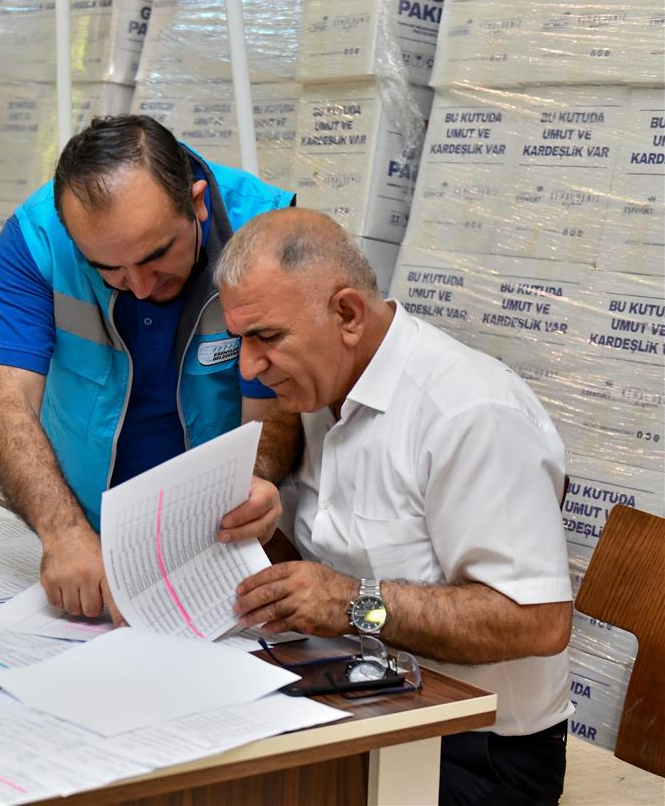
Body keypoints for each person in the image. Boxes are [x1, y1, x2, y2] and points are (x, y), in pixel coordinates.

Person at [218, 208, 572, 806]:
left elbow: (537, 620)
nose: (249, 367)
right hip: (354, 699)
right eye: (240, 340)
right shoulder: (320, 381)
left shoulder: (468, 413)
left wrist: (354, 605)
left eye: (268, 339)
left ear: (348, 315)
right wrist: (257, 490)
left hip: (476, 751)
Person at [0, 115, 302, 623]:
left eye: (156, 257)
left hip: (215, 544)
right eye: (108, 269)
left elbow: (275, 403)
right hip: (84, 537)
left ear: (196, 203)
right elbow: (8, 401)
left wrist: (258, 483)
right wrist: (62, 532)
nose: (141, 286)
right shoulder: (35, 239)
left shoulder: (263, 233)